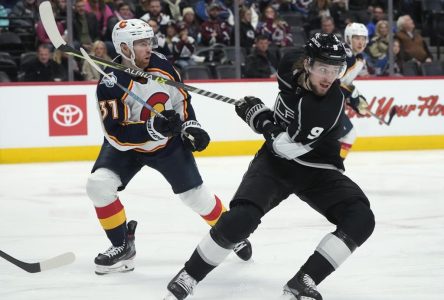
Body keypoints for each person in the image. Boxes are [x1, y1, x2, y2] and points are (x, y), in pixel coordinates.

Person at [164, 33, 375, 300]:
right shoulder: (289, 65)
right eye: (323, 68)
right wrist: (263, 117)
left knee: (361, 218)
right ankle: (189, 276)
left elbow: (286, 146)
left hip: (318, 168)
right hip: (275, 166)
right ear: (307, 64)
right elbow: (280, 131)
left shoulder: (327, 104)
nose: (329, 77)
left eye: (336, 70)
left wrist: (260, 119)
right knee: (240, 219)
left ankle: (304, 280)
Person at [86, 19, 252, 275]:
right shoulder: (110, 83)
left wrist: (191, 126)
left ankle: (231, 233)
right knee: (98, 185)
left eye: (149, 41)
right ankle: (122, 247)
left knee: (196, 197)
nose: (148, 48)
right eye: (141, 43)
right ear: (124, 48)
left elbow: (180, 100)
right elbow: (116, 133)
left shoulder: (161, 64)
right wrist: (152, 128)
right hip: (127, 148)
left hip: (166, 146)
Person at [339, 22, 371, 159]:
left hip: (331, 103)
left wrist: (356, 97)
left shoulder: (359, 58)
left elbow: (345, 83)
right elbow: (332, 83)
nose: (361, 42)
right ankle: (334, 166)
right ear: (348, 38)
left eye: (363, 38)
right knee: (348, 135)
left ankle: (332, 166)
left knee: (347, 135)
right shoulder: (344, 55)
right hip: (321, 102)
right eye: (357, 38)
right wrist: (353, 96)